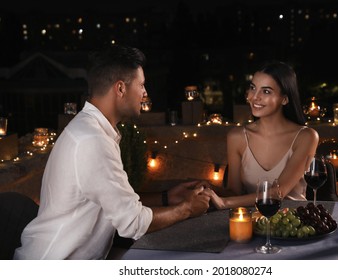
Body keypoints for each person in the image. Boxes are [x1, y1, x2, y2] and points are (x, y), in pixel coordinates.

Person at [14, 45, 210, 260]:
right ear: (120, 89)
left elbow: (115, 201)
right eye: (141, 85)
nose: (145, 93)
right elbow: (132, 223)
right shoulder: (92, 140)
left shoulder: (93, 130)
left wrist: (166, 197)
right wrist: (187, 209)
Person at [204, 61, 319, 209]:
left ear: (284, 99)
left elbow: (278, 193)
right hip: (252, 224)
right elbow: (235, 193)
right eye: (253, 88)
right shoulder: (236, 137)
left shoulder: (307, 136)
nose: (254, 97)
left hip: (295, 225)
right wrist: (210, 189)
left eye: (266, 91)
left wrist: (224, 202)